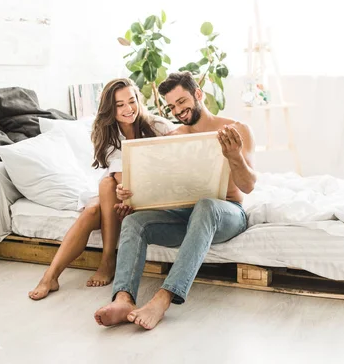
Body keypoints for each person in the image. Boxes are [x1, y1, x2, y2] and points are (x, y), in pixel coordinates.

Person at [94, 71, 257, 329]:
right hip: (186, 216)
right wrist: (130, 195)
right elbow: (162, 186)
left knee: (206, 205)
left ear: (198, 94)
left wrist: (234, 156)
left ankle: (164, 297)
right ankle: (124, 298)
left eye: (182, 102)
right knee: (135, 222)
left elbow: (248, 186)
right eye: (172, 106)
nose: (178, 110)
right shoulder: (173, 138)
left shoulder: (236, 130)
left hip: (226, 214)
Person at [28, 78, 175, 300]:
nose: (128, 109)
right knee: (98, 200)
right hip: (119, 195)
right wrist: (126, 195)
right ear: (110, 108)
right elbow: (119, 176)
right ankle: (51, 276)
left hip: (151, 195)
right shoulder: (107, 133)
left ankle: (107, 261)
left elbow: (181, 149)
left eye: (132, 101)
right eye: (120, 104)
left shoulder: (157, 125)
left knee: (105, 188)